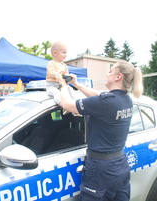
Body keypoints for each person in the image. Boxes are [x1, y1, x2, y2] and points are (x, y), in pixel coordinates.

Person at [56, 61, 144, 201]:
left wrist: (62, 85)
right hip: (120, 164)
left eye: (110, 71)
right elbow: (98, 96)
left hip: (101, 169)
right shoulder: (125, 100)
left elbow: (67, 104)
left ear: (118, 76)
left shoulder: (106, 102)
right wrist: (76, 84)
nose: (107, 74)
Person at [46, 42, 76, 106]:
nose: (66, 55)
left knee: (70, 89)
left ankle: (74, 105)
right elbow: (51, 73)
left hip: (62, 85)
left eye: (66, 53)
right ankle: (63, 105)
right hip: (52, 86)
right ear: (55, 53)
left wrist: (69, 77)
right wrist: (60, 75)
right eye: (64, 52)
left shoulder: (64, 65)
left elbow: (66, 76)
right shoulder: (51, 63)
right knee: (56, 92)